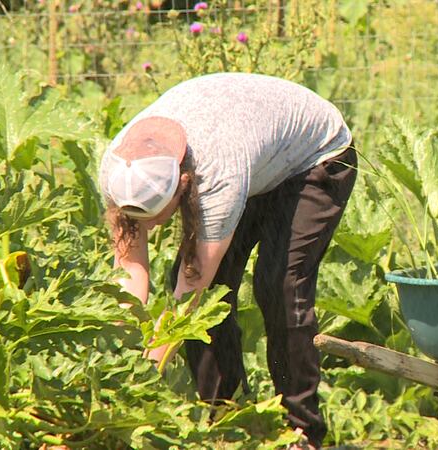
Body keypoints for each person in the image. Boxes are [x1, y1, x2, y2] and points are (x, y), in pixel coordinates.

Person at [98, 73, 357, 449]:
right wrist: (124, 341)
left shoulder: (216, 175)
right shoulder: (119, 169)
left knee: (278, 283)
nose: (151, 226)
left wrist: (147, 369)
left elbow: (192, 291)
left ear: (183, 186)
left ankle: (301, 430)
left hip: (314, 156)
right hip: (256, 153)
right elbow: (131, 271)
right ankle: (226, 420)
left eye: (158, 214)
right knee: (212, 290)